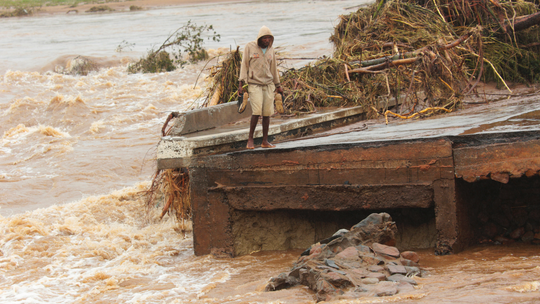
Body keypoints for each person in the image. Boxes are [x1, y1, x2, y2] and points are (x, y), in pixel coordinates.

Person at [238, 25, 283, 149]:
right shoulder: (250, 47)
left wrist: (278, 85)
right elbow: (244, 65)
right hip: (255, 84)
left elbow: (273, 68)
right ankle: (250, 139)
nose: (267, 40)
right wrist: (241, 83)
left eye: (269, 38)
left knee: (267, 113)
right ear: (259, 38)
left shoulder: (271, 50)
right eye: (264, 38)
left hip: (268, 85)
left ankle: (265, 141)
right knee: (257, 111)